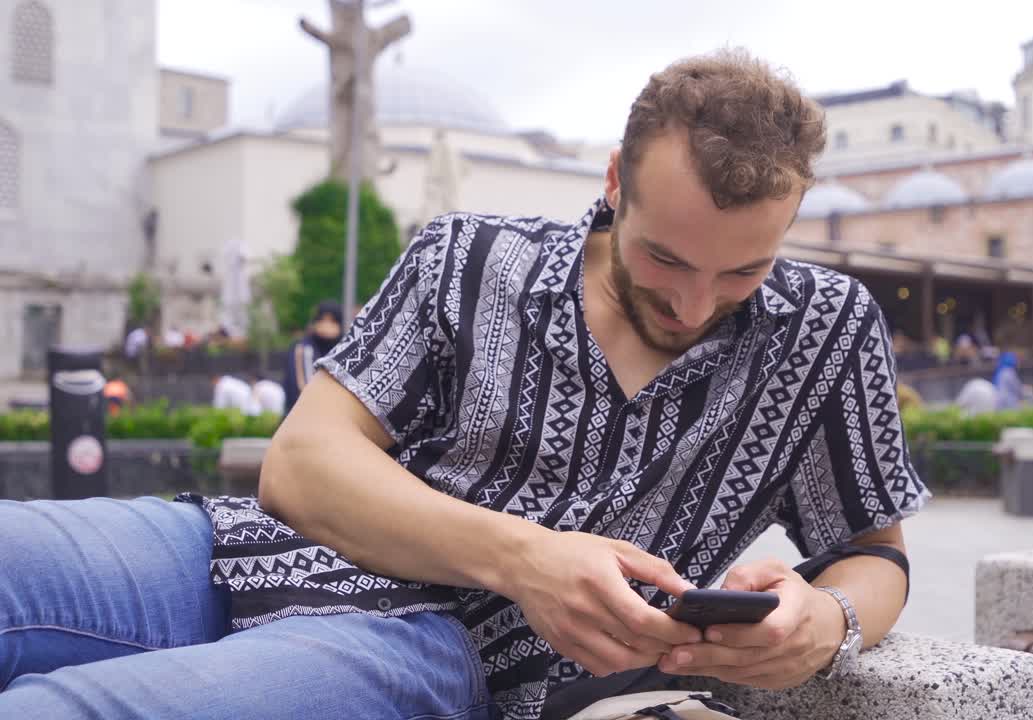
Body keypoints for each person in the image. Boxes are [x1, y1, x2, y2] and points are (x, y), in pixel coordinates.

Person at [0, 50, 928, 720]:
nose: (692, 303)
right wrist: (527, 558)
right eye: (665, 257)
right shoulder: (469, 257)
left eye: (741, 274)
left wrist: (829, 619)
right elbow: (302, 466)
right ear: (614, 180)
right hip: (230, 547)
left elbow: (875, 550)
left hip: (428, 647)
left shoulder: (827, 329)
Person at [281, 301, 343, 414]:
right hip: (304, 417)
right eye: (322, 320)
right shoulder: (304, 349)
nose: (326, 326)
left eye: (332, 321)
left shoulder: (341, 350)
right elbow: (302, 389)